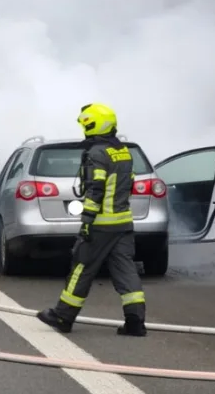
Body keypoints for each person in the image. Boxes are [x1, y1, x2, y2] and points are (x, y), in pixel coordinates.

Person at [36, 103, 147, 337]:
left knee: (81, 268)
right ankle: (135, 322)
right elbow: (128, 184)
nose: (85, 130)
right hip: (124, 224)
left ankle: (62, 316)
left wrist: (87, 222)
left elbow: (96, 189)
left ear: (95, 125)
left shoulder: (97, 153)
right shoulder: (124, 152)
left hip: (101, 225)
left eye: (87, 125)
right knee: (126, 271)